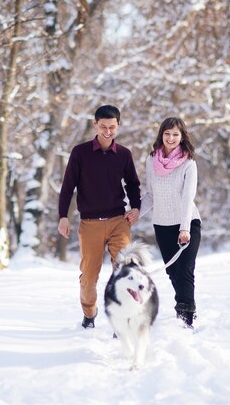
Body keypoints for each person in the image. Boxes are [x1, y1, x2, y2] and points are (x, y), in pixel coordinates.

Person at [58, 105, 141, 329]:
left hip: (118, 222)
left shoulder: (124, 154)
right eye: (103, 126)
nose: (107, 131)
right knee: (88, 279)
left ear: (118, 126)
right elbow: (67, 187)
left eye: (112, 127)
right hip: (90, 224)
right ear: (95, 124)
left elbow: (133, 184)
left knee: (125, 271)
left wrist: (136, 208)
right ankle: (89, 313)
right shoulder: (80, 152)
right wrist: (63, 216)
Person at [140, 117, 201, 328]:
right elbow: (150, 195)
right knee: (173, 272)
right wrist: (131, 216)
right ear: (161, 135)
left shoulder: (188, 163)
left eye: (176, 134)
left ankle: (186, 316)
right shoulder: (151, 161)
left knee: (185, 270)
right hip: (162, 225)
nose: (171, 138)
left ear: (182, 137)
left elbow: (187, 197)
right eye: (167, 133)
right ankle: (185, 307)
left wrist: (185, 228)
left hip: (187, 223)